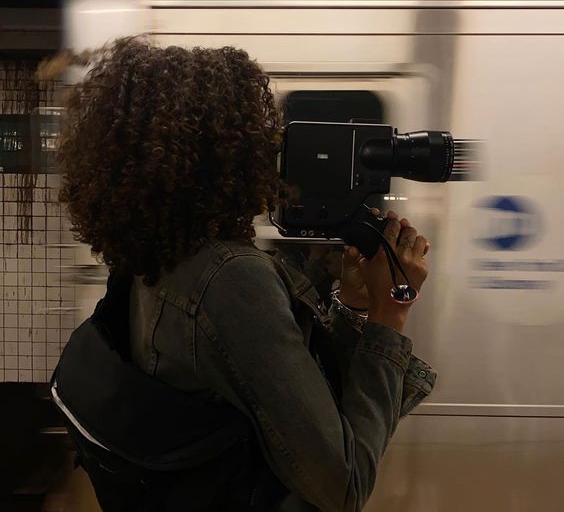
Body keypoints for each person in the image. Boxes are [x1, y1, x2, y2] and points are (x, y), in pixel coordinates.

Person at [50, 37, 436, 512]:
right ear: (222, 152)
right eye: (255, 131)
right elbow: (342, 483)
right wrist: (389, 315)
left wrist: (352, 304)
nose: (271, 147)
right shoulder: (228, 281)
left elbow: (275, 396)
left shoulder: (155, 264)